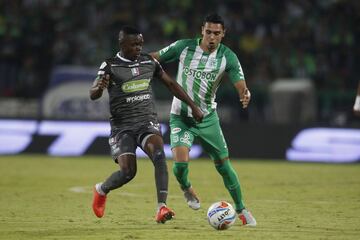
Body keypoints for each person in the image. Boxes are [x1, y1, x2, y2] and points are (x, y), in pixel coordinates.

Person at [150, 13, 256, 226]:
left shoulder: (228, 57)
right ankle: (187, 188)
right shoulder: (184, 47)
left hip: (208, 119)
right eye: (208, 32)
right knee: (180, 167)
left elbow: (240, 82)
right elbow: (154, 57)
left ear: (223, 34)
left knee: (224, 166)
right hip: (181, 116)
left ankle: (242, 210)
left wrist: (244, 93)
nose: (212, 37)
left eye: (217, 33)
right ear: (202, 31)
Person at [90, 26, 203, 224]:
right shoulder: (110, 65)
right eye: (134, 44)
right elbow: (94, 93)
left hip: (146, 121)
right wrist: (98, 88)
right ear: (122, 44)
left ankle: (162, 207)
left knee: (159, 155)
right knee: (128, 173)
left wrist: (193, 106)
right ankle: (101, 190)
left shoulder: (149, 62)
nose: (138, 48)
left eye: (140, 44)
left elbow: (171, 84)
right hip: (122, 126)